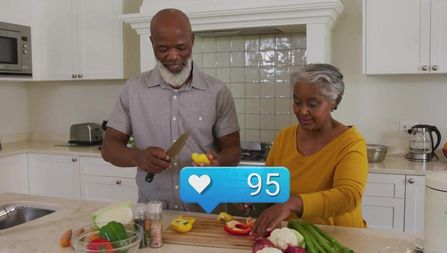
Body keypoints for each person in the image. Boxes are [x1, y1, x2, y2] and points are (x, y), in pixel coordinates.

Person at [101, 8, 241, 211]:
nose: (173, 56)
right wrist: (138, 157)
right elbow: (108, 148)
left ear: (192, 41)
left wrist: (218, 162)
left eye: (181, 48)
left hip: (207, 212)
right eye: (163, 49)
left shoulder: (217, 92)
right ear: (152, 43)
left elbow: (234, 151)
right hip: (154, 214)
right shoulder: (133, 90)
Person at [252, 63, 368, 236]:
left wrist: (292, 203)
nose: (302, 111)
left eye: (313, 104)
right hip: (293, 237)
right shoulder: (285, 136)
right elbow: (270, 185)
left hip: (337, 239)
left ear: (333, 101)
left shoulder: (350, 143)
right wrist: (249, 196)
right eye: (297, 102)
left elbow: (348, 196)